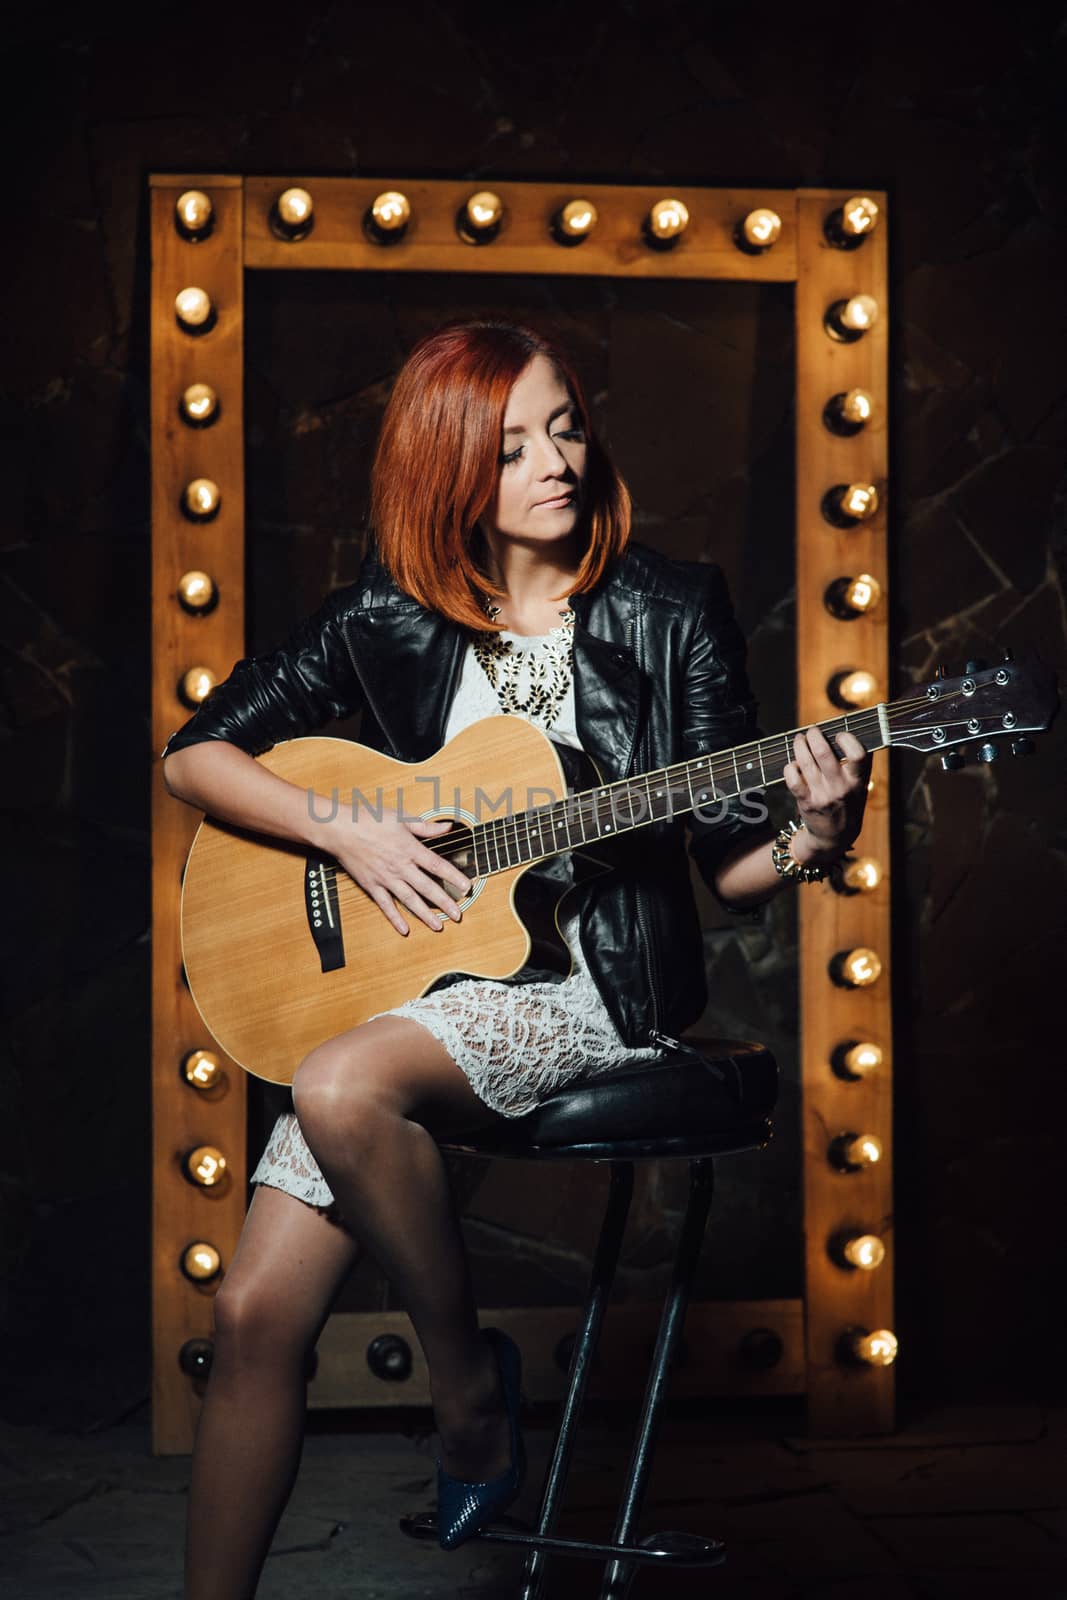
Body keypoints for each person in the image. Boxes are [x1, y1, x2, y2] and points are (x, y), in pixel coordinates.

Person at [161, 317, 871, 1596]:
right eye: (510, 446)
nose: (555, 461)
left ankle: (465, 1386)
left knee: (332, 1085)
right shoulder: (386, 613)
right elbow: (194, 754)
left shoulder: (669, 606)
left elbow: (728, 863)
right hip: (402, 986)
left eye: (566, 425)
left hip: (584, 988)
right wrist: (350, 835)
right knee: (252, 1314)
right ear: (445, 471)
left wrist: (815, 829)